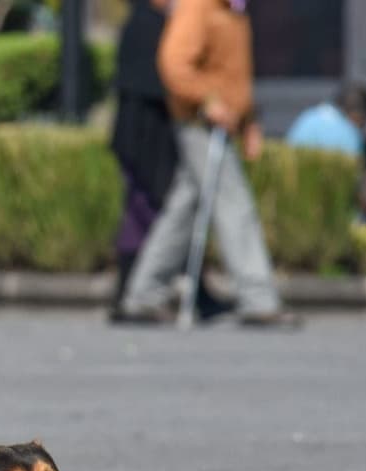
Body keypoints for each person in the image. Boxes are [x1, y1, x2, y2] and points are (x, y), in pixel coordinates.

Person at [119, 0, 300, 328]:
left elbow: (232, 74)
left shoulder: (233, 10)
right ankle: (258, 299)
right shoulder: (199, 6)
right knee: (234, 205)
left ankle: (143, 295)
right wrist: (209, 101)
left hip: (220, 126)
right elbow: (174, 63)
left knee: (183, 210)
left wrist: (248, 122)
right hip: (200, 125)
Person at [109, 0, 232, 323]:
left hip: (156, 128)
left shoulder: (154, 21)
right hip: (148, 131)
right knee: (154, 208)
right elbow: (161, 79)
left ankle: (165, 290)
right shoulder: (149, 25)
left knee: (170, 208)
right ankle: (135, 293)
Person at [286, 81, 366, 221]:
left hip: (293, 209)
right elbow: (359, 189)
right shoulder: (348, 133)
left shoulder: (306, 117)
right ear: (359, 114)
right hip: (328, 217)